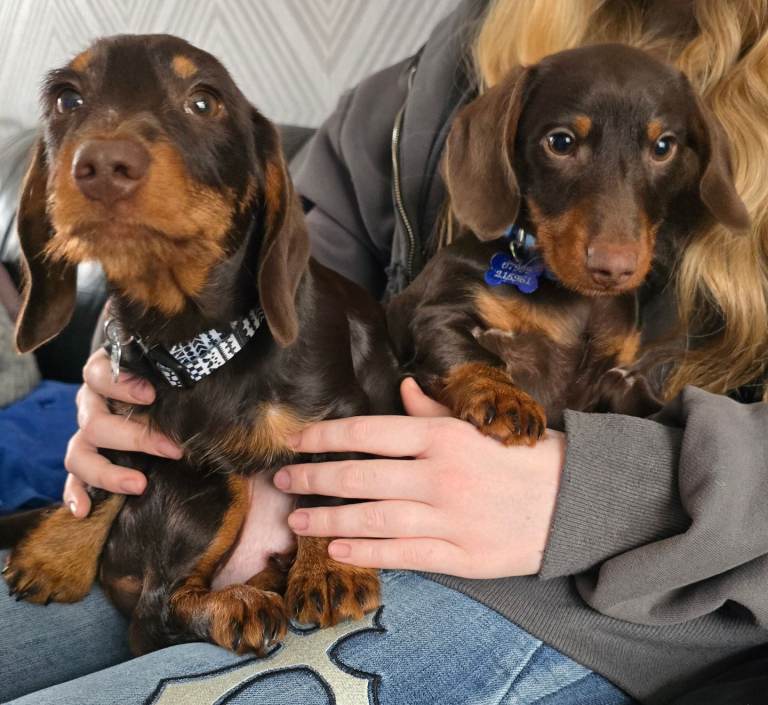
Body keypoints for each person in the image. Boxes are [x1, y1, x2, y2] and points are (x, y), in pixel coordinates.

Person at [2, 0, 767, 703]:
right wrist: (140, 372)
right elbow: (272, 276)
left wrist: (600, 494)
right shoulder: (439, 73)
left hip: (620, 599)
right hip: (264, 506)